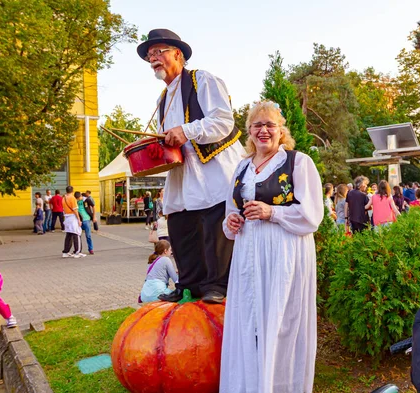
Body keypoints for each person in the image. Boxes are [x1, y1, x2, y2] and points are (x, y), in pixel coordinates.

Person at [221, 100, 323, 393]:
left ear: (281, 131)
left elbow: (312, 215)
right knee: (249, 320)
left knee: (281, 323)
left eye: (270, 125)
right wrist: (232, 223)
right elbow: (231, 213)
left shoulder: (298, 162)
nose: (263, 130)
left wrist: (272, 212)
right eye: (257, 125)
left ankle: (279, 386)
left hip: (284, 254)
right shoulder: (241, 167)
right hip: (247, 256)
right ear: (249, 131)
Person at [138, 30, 244, 304]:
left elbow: (223, 121)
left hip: (213, 168)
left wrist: (186, 130)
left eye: (158, 51)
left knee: (213, 224)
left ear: (178, 54)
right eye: (150, 55)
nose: (153, 58)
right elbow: (168, 139)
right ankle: (188, 284)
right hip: (182, 173)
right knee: (180, 224)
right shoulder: (162, 99)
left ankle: (217, 285)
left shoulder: (202, 80)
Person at [62, 186, 84, 258]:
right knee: (76, 233)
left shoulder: (63, 198)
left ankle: (66, 252)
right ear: (72, 191)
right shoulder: (72, 198)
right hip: (72, 217)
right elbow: (75, 210)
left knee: (68, 235)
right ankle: (77, 252)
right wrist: (79, 219)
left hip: (67, 217)